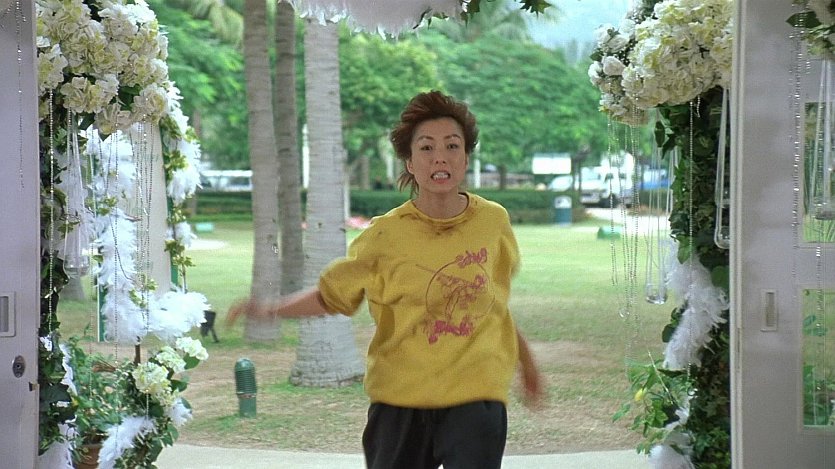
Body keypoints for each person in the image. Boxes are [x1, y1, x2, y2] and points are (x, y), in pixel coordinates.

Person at [228, 90, 543, 469]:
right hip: (400, 401)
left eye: (452, 145)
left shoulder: (493, 222)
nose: (440, 156)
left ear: (465, 158)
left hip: (475, 397)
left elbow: (493, 305)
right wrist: (271, 309)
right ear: (410, 162)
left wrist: (528, 365)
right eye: (426, 148)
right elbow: (332, 296)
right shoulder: (384, 235)